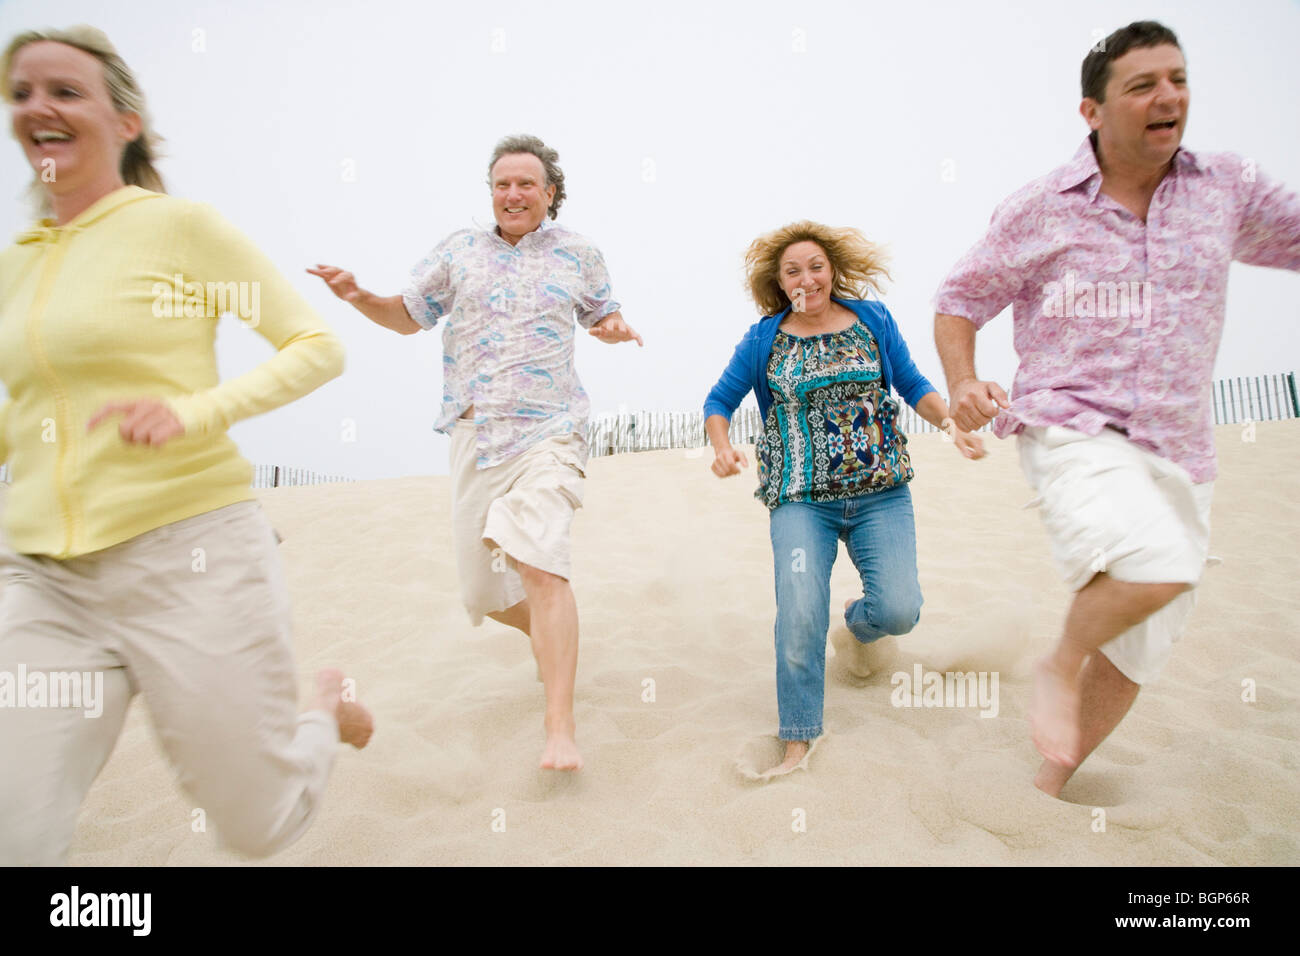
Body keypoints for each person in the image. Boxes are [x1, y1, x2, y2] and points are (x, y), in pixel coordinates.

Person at [0, 26, 373, 866]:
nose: (39, 109)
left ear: (125, 122)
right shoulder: (14, 266)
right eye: (22, 92)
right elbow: (23, 409)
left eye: (66, 91)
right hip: (42, 577)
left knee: (258, 825)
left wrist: (194, 412)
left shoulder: (179, 229)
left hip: (188, 552)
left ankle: (323, 705)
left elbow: (317, 347)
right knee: (13, 835)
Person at [933, 20, 1300, 797]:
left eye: (1178, 78)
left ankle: (1048, 788)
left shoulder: (1227, 186)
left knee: (1143, 639)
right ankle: (1058, 663)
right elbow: (961, 299)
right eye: (1142, 85)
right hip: (1073, 424)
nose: (1167, 96)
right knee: (1155, 566)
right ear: (1092, 112)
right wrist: (963, 380)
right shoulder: (1042, 207)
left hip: (1184, 446)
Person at [310, 135, 641, 772]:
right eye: (501, 184)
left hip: (550, 431)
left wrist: (614, 328)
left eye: (526, 184)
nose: (513, 194)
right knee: (483, 591)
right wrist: (358, 296)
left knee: (541, 563)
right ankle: (555, 638)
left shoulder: (579, 253)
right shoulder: (458, 250)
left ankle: (560, 729)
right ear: (490, 191)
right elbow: (409, 315)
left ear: (550, 192)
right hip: (474, 435)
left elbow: (603, 313)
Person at [704, 221, 982, 774]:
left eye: (815, 266)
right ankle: (798, 737)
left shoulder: (872, 320)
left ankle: (857, 625)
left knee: (900, 610)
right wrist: (721, 445)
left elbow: (912, 383)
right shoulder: (764, 339)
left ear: (831, 271)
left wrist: (951, 425)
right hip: (801, 499)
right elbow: (719, 400)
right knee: (800, 609)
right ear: (779, 284)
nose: (806, 278)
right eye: (792, 271)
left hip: (881, 493)